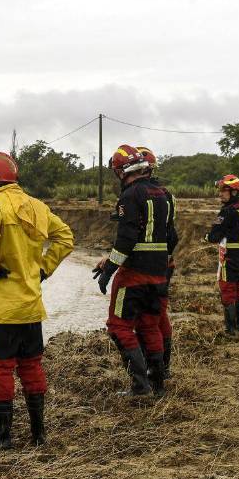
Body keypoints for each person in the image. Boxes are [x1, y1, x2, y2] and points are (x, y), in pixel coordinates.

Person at [0, 151, 74, 450]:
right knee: (31, 367)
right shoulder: (37, 206)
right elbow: (66, 238)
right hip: (30, 305)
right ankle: (39, 435)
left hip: (0, 309)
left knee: (0, 370)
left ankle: (2, 438)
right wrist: (43, 268)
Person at [93, 144, 174, 397]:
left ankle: (140, 386)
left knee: (118, 326)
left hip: (134, 274)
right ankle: (158, 384)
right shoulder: (163, 195)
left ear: (120, 171)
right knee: (150, 325)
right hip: (159, 272)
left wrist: (110, 269)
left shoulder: (129, 195)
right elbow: (172, 236)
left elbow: (127, 238)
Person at [135, 146, 178, 379]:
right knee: (159, 314)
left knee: (150, 317)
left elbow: (166, 233)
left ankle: (156, 370)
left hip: (153, 263)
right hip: (163, 261)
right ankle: (161, 368)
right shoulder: (165, 194)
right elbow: (172, 234)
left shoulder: (152, 195)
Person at [204, 175, 239, 334]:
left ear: (234, 192)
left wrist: (207, 237)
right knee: (238, 289)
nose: (220, 193)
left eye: (223, 190)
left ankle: (231, 330)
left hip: (231, 257)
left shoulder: (226, 212)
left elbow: (214, 236)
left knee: (227, 290)